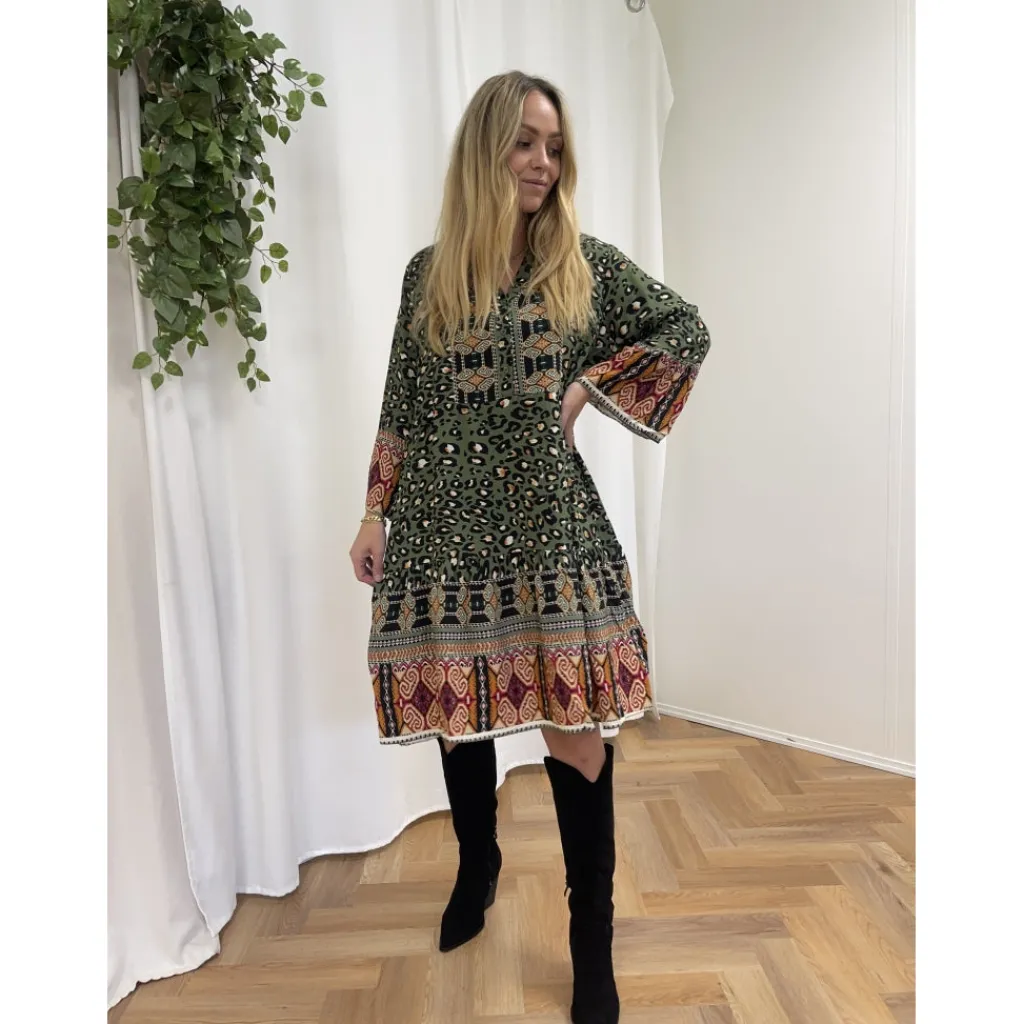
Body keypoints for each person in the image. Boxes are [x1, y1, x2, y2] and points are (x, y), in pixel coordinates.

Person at [349, 71, 710, 1024]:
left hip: (549, 528)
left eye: (554, 146)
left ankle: (591, 940)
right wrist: (375, 512)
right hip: (442, 530)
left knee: (575, 727)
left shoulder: (582, 268)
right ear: (486, 150)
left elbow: (685, 326)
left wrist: (587, 387)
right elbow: (401, 404)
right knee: (457, 708)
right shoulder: (428, 276)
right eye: (524, 142)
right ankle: (478, 866)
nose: (543, 162)